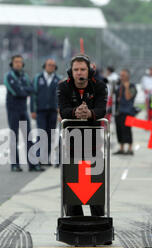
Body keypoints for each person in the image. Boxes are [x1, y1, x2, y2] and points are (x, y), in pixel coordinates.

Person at [58, 54, 107, 217]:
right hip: (71, 142)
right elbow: (62, 110)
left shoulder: (99, 86)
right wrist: (75, 112)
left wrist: (89, 113)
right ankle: (74, 220)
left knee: (94, 185)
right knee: (72, 186)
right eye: (76, 70)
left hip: (93, 142)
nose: (79, 73)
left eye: (83, 69)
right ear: (70, 72)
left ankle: (98, 220)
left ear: (89, 71)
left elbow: (102, 109)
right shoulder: (63, 87)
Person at [4, 54, 45, 172]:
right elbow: (16, 91)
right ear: (12, 64)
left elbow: (31, 89)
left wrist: (23, 90)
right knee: (14, 136)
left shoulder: (25, 76)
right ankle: (15, 164)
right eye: (16, 62)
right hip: (13, 109)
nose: (18, 64)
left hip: (23, 109)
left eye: (20, 62)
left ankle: (32, 164)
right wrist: (24, 90)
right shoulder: (8, 76)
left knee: (28, 136)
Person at [31, 59, 61, 165]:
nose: (51, 67)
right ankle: (39, 157)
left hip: (53, 111)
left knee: (49, 135)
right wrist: (33, 110)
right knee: (41, 133)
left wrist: (59, 110)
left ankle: (46, 158)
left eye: (53, 65)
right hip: (41, 111)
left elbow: (61, 96)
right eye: (49, 65)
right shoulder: (37, 78)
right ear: (45, 66)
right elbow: (33, 95)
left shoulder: (58, 79)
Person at [113, 69, 138, 155]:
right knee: (119, 129)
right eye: (121, 75)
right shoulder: (119, 86)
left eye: (123, 75)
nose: (121, 77)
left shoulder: (132, 86)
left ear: (128, 76)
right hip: (119, 111)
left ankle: (130, 148)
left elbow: (128, 97)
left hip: (128, 111)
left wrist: (127, 87)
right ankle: (121, 148)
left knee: (127, 130)